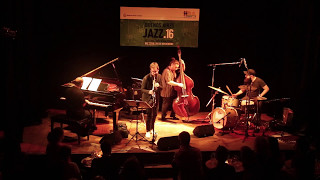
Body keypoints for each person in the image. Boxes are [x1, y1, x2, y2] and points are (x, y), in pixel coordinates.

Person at [141, 62, 162, 139]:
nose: (154, 73)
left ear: (158, 70)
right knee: (149, 115)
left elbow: (163, 87)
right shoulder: (146, 78)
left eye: (155, 72)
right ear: (150, 70)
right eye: (153, 72)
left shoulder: (159, 77)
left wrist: (159, 86)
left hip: (156, 98)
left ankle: (152, 129)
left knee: (155, 115)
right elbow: (142, 89)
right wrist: (149, 91)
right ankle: (147, 130)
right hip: (148, 99)